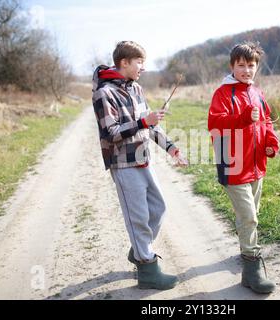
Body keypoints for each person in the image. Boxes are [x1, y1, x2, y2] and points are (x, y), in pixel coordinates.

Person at [92, 41, 187, 290]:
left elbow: (151, 126)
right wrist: (144, 121)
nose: (143, 67)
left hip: (144, 159)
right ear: (124, 63)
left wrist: (172, 148)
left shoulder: (136, 89)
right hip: (123, 164)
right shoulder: (104, 93)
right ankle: (147, 268)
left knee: (158, 208)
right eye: (139, 62)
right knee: (138, 218)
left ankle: (138, 250)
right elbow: (111, 133)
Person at [208, 41, 279, 294]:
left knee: (250, 215)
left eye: (251, 66)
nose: (246, 70)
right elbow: (215, 124)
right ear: (232, 66)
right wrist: (242, 116)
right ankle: (251, 270)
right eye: (241, 65)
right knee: (249, 216)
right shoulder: (223, 93)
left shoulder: (257, 93)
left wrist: (271, 142)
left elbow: (267, 120)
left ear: (256, 67)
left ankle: (244, 250)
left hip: (256, 164)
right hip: (233, 165)